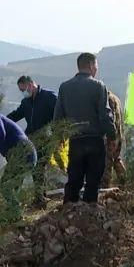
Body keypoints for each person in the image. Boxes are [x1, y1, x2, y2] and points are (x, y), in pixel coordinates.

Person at [53, 53, 116, 204]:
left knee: (74, 179)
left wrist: (58, 138)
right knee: (93, 180)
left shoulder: (65, 87)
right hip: (95, 141)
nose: (96, 69)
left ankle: (69, 210)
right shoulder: (98, 86)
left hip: (75, 141)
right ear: (91, 66)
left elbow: (58, 117)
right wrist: (112, 136)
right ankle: (89, 211)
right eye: (96, 66)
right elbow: (104, 115)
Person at [6, 75, 59, 205]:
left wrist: (55, 135)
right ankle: (20, 199)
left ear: (30, 84)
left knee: (39, 168)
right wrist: (1, 122)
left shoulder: (50, 97)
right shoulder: (26, 103)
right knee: (26, 168)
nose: (23, 93)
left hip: (45, 139)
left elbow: (60, 114)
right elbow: (16, 115)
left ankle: (40, 198)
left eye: (24, 89)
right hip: (30, 140)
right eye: (21, 91)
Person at [102, 91, 126, 187]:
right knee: (116, 158)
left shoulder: (108, 99)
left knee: (108, 161)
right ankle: (124, 182)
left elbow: (110, 118)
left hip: (111, 136)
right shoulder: (116, 99)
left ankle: (105, 186)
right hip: (118, 134)